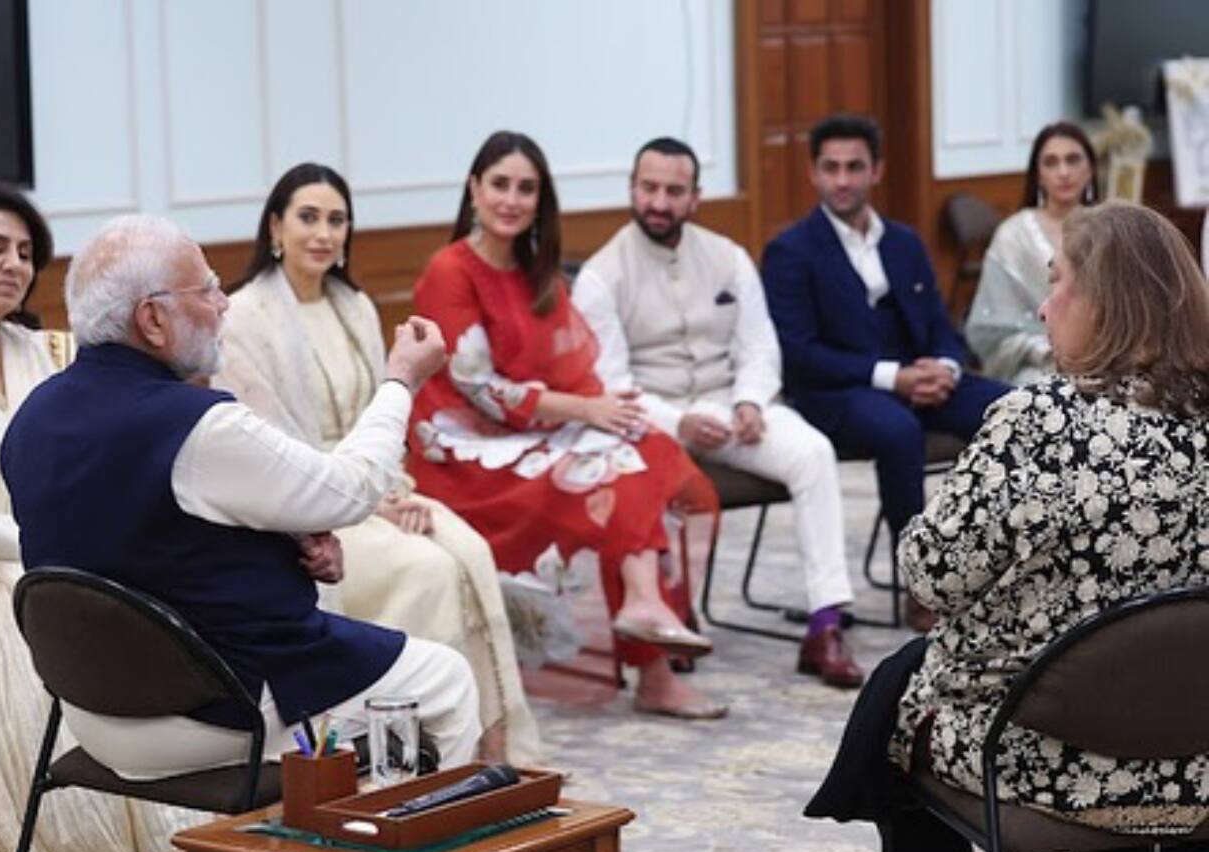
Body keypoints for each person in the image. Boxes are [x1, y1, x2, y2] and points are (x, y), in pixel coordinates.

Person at [809, 202, 1209, 852]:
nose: (1045, 311)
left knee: (894, 731)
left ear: (1108, 304)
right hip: (1191, 758)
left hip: (1033, 755)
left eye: (1057, 285)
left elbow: (929, 574)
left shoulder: (1035, 421)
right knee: (1117, 684)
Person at [1, 215, 481, 785]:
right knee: (446, 680)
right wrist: (400, 381)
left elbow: (133, 539)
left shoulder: (33, 416)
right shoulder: (195, 426)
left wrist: (284, 541)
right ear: (153, 319)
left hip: (91, 709)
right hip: (213, 711)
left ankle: (344, 843)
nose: (223, 304)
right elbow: (348, 490)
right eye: (206, 288)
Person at [215, 163, 542, 766]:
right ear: (275, 229)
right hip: (311, 510)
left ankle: (496, 752)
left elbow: (385, 409)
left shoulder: (355, 304)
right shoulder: (242, 317)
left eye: (336, 220)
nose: (323, 233)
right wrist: (364, 494)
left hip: (381, 486)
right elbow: (268, 449)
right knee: (430, 572)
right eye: (307, 218)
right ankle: (430, 760)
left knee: (471, 551)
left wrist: (394, 489)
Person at [0, 184, 195, 852]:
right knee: (47, 659)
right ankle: (65, 839)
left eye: (25, 252)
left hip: (47, 553)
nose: (13, 264)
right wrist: (56, 551)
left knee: (163, 615)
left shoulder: (39, 349)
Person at [406, 131, 725, 720]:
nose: (511, 198)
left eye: (526, 188)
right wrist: (586, 414)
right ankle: (649, 652)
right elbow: (482, 391)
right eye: (499, 183)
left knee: (648, 450)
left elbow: (574, 362)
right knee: (610, 471)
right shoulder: (450, 270)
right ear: (474, 188)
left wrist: (608, 411)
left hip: (535, 428)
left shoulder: (536, 270)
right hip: (464, 447)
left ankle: (644, 610)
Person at [573, 137, 863, 688]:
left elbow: (760, 347)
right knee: (649, 469)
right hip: (652, 420)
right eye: (649, 188)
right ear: (632, 189)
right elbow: (611, 384)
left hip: (730, 407)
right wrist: (673, 422)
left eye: (673, 191)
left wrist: (751, 400)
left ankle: (826, 622)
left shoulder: (728, 256)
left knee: (813, 453)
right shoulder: (600, 276)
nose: (659, 201)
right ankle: (671, 616)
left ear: (695, 197)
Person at [761, 114, 1009, 631]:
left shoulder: (904, 242)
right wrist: (891, 377)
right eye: (831, 168)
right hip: (837, 392)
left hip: (918, 381)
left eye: (855, 167)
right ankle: (921, 584)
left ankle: (994, 561)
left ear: (877, 170)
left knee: (1008, 409)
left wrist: (943, 366)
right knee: (897, 431)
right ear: (813, 173)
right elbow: (798, 353)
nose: (843, 180)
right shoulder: (790, 251)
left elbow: (942, 326)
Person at [965, 121, 1099, 384]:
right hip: (1038, 362)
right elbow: (994, 329)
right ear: (1037, 174)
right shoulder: (1014, 235)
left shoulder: (1113, 230)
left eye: (1073, 160)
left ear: (1091, 169)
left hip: (1107, 357)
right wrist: (1050, 351)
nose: (1063, 172)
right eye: (1051, 162)